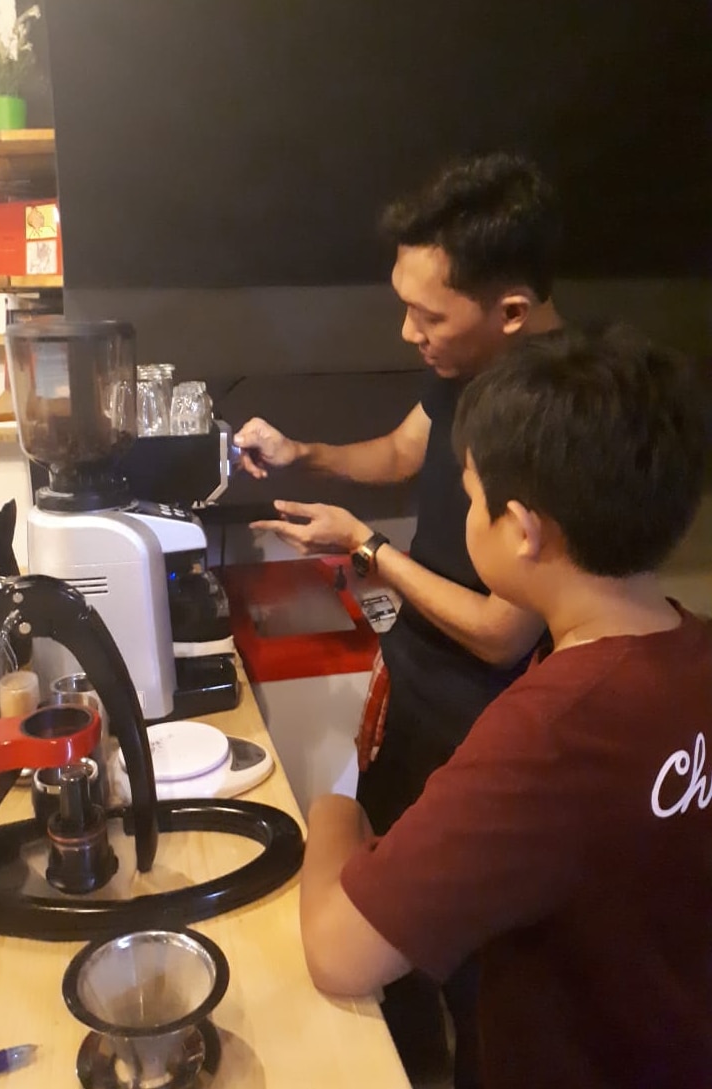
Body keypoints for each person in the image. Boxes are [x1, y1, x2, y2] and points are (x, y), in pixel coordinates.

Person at [298, 323, 712, 1089]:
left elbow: (337, 952)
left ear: (520, 529)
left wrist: (331, 811)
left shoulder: (549, 732)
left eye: (469, 497)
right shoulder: (690, 652)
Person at [234, 151, 562, 1083]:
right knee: (381, 909)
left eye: (428, 313)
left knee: (459, 943)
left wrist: (366, 551)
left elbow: (506, 629)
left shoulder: (551, 415)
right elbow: (397, 451)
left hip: (483, 708)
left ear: (510, 310)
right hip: (418, 675)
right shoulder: (463, 363)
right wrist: (307, 453)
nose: (408, 329)